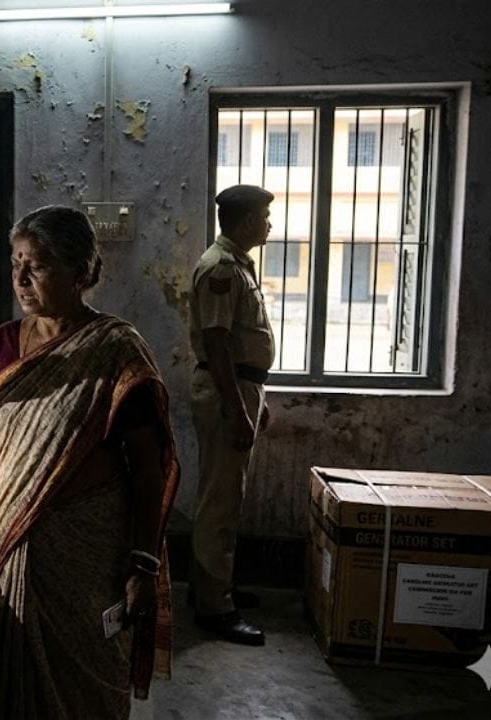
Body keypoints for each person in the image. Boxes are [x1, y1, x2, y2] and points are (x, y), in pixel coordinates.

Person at [0, 205, 179, 719]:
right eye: (16, 262)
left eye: (39, 265)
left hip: (86, 551)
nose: (22, 279)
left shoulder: (116, 349)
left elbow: (147, 467)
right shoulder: (3, 341)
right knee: (12, 675)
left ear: (81, 272)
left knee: (85, 674)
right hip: (10, 543)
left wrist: (143, 562)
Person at [188, 184, 276, 646]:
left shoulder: (237, 265)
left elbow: (242, 342)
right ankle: (213, 605)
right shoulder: (221, 268)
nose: (269, 225)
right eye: (263, 217)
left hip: (241, 387)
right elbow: (219, 343)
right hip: (229, 390)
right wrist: (237, 407)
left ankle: (214, 584)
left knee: (227, 496)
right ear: (244, 223)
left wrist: (255, 397)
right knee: (220, 501)